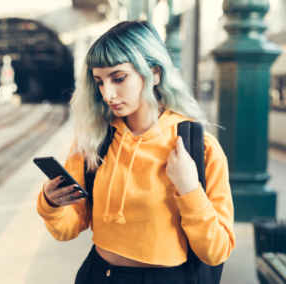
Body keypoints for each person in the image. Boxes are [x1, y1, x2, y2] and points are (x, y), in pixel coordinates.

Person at [36, 21, 235, 284]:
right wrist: (51, 204)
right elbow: (67, 229)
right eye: (99, 81)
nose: (108, 93)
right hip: (98, 274)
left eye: (119, 78)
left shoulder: (199, 148)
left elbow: (216, 251)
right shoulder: (94, 142)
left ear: (154, 73)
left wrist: (189, 190)